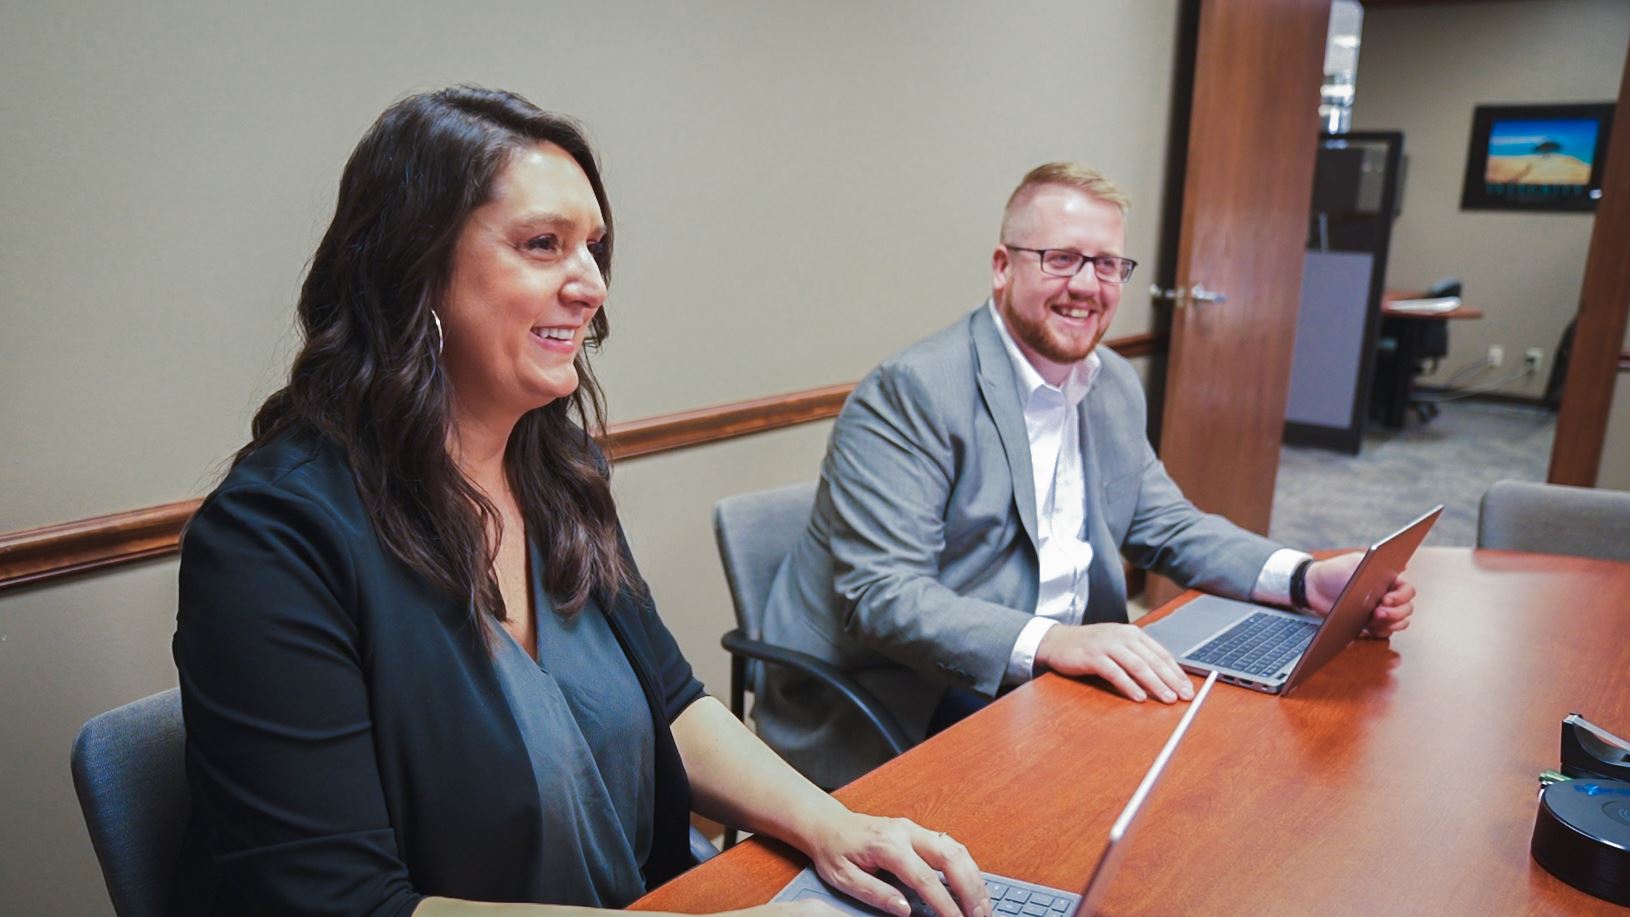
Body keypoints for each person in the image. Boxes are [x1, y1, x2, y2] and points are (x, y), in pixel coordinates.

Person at [171, 86, 993, 917]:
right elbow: (344, 905)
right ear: (412, 270)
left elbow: (674, 704)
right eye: (542, 244)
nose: (592, 284)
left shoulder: (557, 471)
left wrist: (834, 825)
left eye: (593, 248)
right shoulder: (270, 539)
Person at [754, 162, 1417, 789]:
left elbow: (1167, 524)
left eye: (1107, 264)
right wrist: (1057, 643)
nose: (1087, 284)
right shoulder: (914, 391)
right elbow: (885, 595)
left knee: (1229, 760)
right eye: (1061, 258)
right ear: (1001, 267)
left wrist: (1305, 579)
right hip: (907, 690)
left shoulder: (1111, 384)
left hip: (1052, 676)